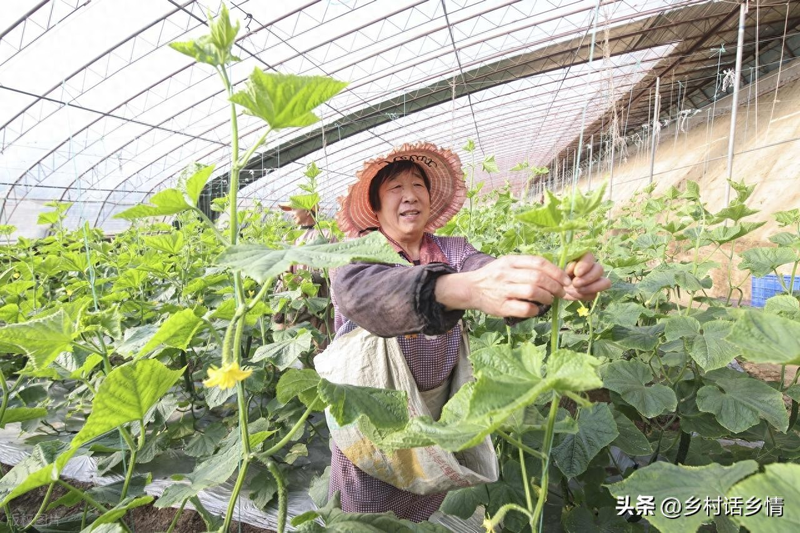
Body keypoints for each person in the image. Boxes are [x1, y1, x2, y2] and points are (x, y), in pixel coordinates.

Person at [328, 142, 611, 521]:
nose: (410, 196)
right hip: (371, 416)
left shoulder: (454, 250)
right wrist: (464, 289)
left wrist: (560, 282)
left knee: (424, 498)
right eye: (396, 188)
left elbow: (494, 275)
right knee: (368, 511)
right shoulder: (357, 254)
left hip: (435, 408)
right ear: (375, 208)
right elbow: (362, 295)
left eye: (418, 186)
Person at [271, 202, 335, 347]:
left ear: (307, 211)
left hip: (320, 299)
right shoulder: (289, 236)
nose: (291, 213)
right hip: (294, 301)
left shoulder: (326, 234)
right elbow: (282, 270)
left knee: (319, 344)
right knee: (294, 345)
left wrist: (312, 278)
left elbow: (335, 268)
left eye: (294, 209)